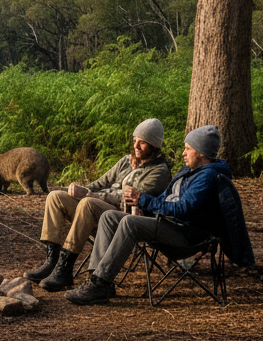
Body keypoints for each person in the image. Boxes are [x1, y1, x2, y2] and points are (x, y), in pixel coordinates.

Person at [65, 124, 228, 305]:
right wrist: (147, 206)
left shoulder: (207, 178)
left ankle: (99, 283)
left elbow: (183, 209)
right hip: (171, 224)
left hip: (186, 236)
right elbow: (166, 199)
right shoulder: (190, 172)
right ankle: (98, 281)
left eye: (188, 149)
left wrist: (144, 201)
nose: (183, 153)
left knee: (130, 223)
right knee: (109, 216)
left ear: (201, 153)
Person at [24, 118, 171, 292]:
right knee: (56, 197)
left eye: (143, 143)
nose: (136, 146)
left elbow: (128, 200)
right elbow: (101, 183)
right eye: (134, 141)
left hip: (122, 220)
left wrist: (88, 194)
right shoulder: (126, 161)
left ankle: (65, 267)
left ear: (154, 146)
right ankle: (52, 261)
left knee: (88, 203)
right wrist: (76, 189)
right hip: (95, 211)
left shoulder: (160, 171)